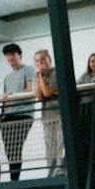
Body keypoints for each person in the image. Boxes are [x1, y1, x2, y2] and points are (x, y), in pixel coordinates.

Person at [0, 43, 34, 181]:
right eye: (7, 55)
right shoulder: (7, 77)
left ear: (19, 55)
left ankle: (15, 179)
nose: (10, 57)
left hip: (23, 113)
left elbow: (31, 89)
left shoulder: (28, 69)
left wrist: (13, 94)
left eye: (13, 54)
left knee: (15, 146)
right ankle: (13, 177)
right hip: (7, 115)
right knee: (9, 149)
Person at [32, 49, 63, 177]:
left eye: (43, 59)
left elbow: (47, 92)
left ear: (49, 60)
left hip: (59, 114)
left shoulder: (56, 72)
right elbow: (38, 95)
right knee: (50, 147)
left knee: (61, 145)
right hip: (47, 117)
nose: (41, 62)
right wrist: (39, 76)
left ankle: (60, 171)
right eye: (37, 61)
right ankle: (51, 173)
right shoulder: (39, 76)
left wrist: (40, 77)